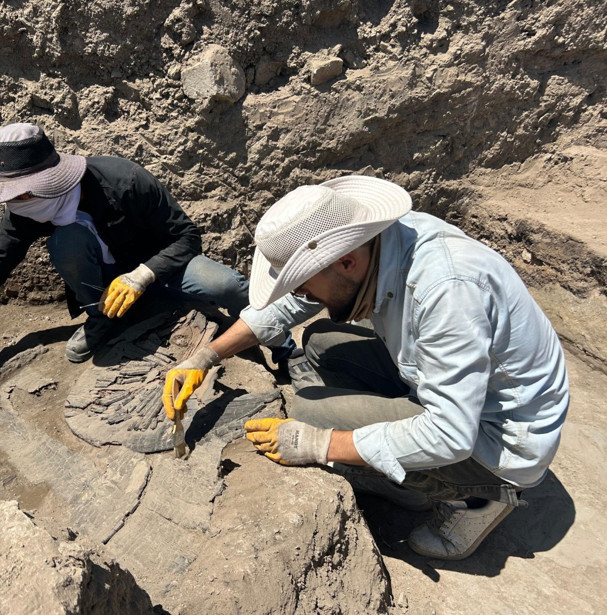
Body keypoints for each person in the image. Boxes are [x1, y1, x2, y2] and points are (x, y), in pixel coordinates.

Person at [163, 175, 569, 560]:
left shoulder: (446, 289)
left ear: (346, 263)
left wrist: (318, 444)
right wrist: (206, 357)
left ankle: (474, 498)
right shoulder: (377, 243)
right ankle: (403, 473)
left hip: (498, 440)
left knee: (305, 414)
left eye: (302, 281)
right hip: (462, 392)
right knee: (321, 343)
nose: (301, 293)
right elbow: (288, 306)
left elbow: (452, 433)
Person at [0, 122, 293, 377]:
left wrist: (143, 275)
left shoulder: (122, 180)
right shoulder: (26, 209)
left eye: (19, 192)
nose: (14, 202)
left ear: (47, 180)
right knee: (67, 241)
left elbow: (187, 238)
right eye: (10, 195)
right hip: (108, 286)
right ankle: (105, 316)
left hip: (163, 267)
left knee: (225, 285)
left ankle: (284, 347)